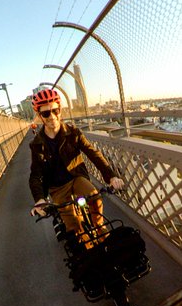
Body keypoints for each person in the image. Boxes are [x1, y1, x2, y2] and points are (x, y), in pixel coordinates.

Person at [28, 87, 124, 241]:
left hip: (77, 178)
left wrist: (111, 177)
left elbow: (93, 154)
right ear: (40, 115)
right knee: (75, 229)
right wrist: (39, 199)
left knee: (94, 197)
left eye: (55, 110)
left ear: (60, 110)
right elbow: (35, 174)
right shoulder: (37, 144)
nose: (52, 116)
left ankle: (99, 228)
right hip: (57, 187)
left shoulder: (74, 133)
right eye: (46, 113)